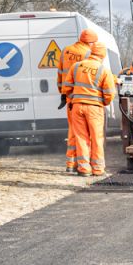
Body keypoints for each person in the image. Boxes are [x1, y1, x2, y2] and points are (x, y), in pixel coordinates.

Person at [66, 41, 116, 177]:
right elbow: (110, 93)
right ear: (103, 55)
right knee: (97, 138)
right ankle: (98, 169)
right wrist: (104, 102)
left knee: (81, 138)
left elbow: (66, 88)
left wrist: (74, 99)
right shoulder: (104, 70)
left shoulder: (76, 66)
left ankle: (84, 168)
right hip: (95, 108)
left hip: (77, 107)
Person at [57, 29, 98, 173]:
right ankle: (86, 165)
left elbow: (60, 73)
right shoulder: (88, 54)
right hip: (84, 98)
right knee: (86, 134)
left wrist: (62, 93)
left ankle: (70, 163)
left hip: (69, 97)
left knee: (73, 131)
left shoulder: (66, 51)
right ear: (90, 42)